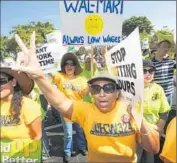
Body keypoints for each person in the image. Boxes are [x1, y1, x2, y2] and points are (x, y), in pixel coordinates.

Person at [13, 32, 160, 162]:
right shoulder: (87, 110)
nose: (101, 93)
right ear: (92, 93)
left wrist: (141, 122)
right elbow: (61, 102)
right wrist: (39, 77)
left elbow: (153, 148)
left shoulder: (131, 110)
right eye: (96, 88)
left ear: (117, 92)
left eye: (108, 88)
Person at [50, 52, 88, 162]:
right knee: (68, 133)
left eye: (72, 64)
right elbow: (51, 72)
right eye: (66, 64)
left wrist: (89, 87)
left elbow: (84, 94)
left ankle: (82, 148)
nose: (69, 66)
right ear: (64, 67)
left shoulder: (81, 79)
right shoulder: (60, 77)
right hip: (65, 110)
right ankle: (67, 152)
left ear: (75, 67)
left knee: (80, 131)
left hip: (78, 110)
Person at [137, 60, 171, 163]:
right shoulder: (131, 89)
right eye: (144, 71)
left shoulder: (158, 89)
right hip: (136, 133)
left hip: (153, 132)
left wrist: (159, 130)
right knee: (135, 159)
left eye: (151, 71)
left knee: (149, 160)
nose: (148, 74)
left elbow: (164, 112)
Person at [0, 58, 42, 140]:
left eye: (1, 81)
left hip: (25, 151)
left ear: (13, 82)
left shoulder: (28, 105)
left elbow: (37, 136)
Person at [152, 40, 176, 106]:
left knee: (166, 114)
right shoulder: (150, 63)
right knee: (154, 115)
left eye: (168, 47)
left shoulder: (171, 62)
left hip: (168, 95)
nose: (166, 49)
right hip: (155, 95)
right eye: (164, 46)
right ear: (157, 47)